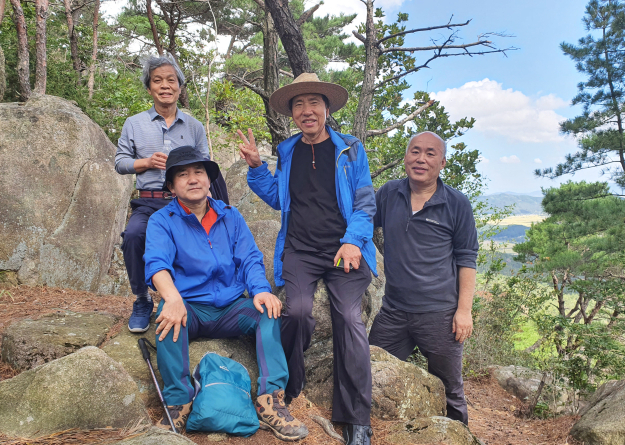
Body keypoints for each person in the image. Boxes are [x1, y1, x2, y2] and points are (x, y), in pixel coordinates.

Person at [237, 73, 377, 445]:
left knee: (348, 318)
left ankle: (357, 419)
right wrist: (255, 167)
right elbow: (279, 198)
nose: (306, 110)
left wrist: (352, 241)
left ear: (327, 109)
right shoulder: (287, 150)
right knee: (296, 312)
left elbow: (365, 202)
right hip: (300, 249)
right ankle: (289, 391)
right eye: (298, 105)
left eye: (314, 102)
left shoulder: (350, 149)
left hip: (343, 250)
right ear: (293, 114)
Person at [143, 146, 308, 440]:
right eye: (183, 175)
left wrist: (260, 290)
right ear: (171, 185)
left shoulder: (231, 217)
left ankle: (271, 402)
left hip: (232, 307)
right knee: (166, 319)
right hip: (190, 307)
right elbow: (157, 264)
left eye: (199, 173)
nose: (192, 179)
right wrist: (172, 298)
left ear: (208, 180)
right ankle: (179, 402)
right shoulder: (162, 221)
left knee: (269, 313)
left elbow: (250, 259)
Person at [368, 131, 478, 425]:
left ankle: (460, 436)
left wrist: (464, 311)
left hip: (440, 315)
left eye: (430, 154)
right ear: (405, 158)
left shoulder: (457, 204)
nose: (421, 159)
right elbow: (362, 226)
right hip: (394, 311)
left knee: (450, 391)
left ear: (442, 163)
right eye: (415, 151)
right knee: (368, 370)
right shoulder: (389, 193)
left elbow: (467, 259)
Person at [114, 55, 228, 334]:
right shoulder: (134, 123)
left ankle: (198, 298)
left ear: (179, 86)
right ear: (149, 87)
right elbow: (120, 163)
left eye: (171, 80)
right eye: (157, 80)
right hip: (149, 201)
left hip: (186, 204)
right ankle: (142, 299)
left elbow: (205, 169)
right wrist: (146, 163)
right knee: (133, 236)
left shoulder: (194, 127)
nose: (165, 86)